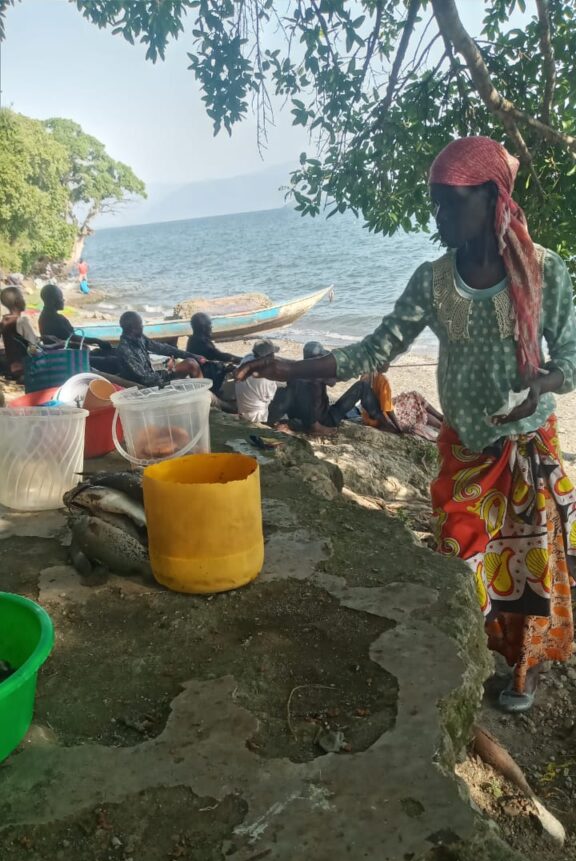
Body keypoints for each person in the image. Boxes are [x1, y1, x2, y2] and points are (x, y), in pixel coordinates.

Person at [237, 135, 576, 713]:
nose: (437, 216)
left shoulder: (544, 272)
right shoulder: (433, 281)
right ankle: (464, 661)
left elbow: (569, 358)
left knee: (529, 569)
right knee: (458, 557)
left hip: (527, 448)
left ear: (492, 198)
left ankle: (521, 673)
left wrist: (541, 384)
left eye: (450, 202)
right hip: (467, 453)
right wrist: (290, 364)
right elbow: (375, 349)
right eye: (434, 202)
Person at [266, 340, 365, 436]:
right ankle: (378, 421)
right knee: (362, 386)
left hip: (299, 417)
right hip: (321, 421)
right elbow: (335, 380)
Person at [116, 311, 203, 387]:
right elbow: (145, 378)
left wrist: (194, 356)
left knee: (191, 361)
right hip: (147, 388)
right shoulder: (125, 350)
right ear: (133, 328)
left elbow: (163, 348)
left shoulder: (139, 339)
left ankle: (205, 395)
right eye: (140, 324)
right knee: (191, 364)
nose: (142, 327)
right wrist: (168, 370)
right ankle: (207, 398)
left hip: (155, 379)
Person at [361, 371, 443, 441]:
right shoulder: (381, 379)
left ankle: (441, 421)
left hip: (377, 414)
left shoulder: (369, 374)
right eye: (386, 361)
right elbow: (387, 409)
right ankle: (440, 418)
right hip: (384, 416)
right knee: (415, 398)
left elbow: (382, 403)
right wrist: (399, 428)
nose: (388, 364)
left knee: (416, 406)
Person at [0, 286, 39, 379]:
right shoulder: (22, 322)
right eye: (22, 297)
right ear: (18, 302)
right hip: (24, 366)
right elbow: (33, 346)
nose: (24, 300)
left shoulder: (4, 320)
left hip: (12, 365)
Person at [235, 340, 279, 422]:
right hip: (256, 415)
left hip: (242, 407)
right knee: (285, 394)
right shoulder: (266, 374)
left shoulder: (247, 358)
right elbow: (269, 397)